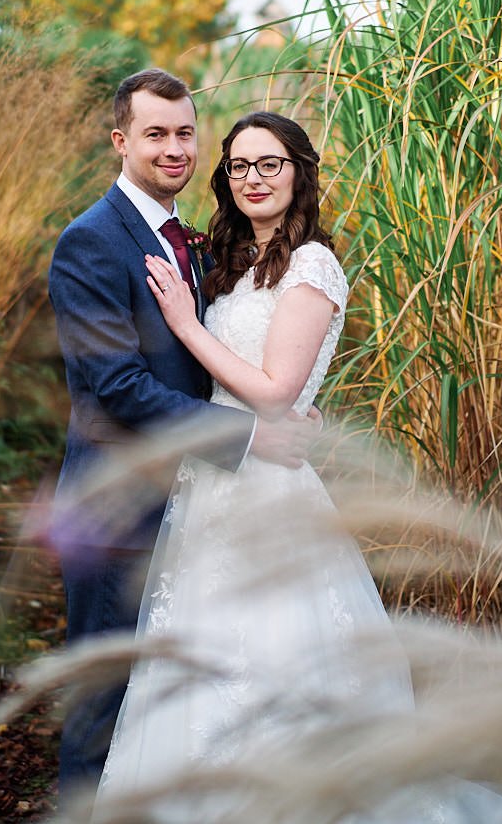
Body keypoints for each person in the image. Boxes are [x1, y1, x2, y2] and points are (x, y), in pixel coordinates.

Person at [95, 111, 502, 822]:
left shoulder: (312, 264)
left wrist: (185, 325)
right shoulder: (230, 265)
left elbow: (272, 391)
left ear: (299, 172)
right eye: (239, 166)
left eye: (270, 164)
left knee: (273, 661)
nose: (253, 179)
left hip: (266, 491)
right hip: (211, 487)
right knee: (196, 664)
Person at [47, 70, 319, 798]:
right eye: (156, 134)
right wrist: (249, 437)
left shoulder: (190, 241)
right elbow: (117, 389)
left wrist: (282, 407)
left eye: (185, 133)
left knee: (170, 705)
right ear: (121, 140)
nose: (175, 149)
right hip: (122, 509)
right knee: (104, 697)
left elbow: (226, 358)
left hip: (200, 509)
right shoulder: (91, 243)